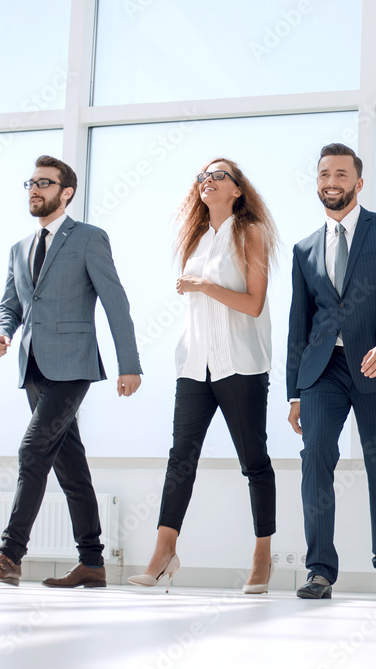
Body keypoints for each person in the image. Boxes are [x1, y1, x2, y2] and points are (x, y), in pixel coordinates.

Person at [0, 155, 142, 588]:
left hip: (74, 365)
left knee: (32, 451)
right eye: (30, 182)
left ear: (66, 193)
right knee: (71, 467)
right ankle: (93, 562)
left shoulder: (87, 238)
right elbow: (10, 305)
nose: (34, 189)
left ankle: (10, 554)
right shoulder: (19, 249)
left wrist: (130, 364)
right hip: (34, 366)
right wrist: (0, 333)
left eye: (44, 183)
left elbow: (115, 302)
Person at [128, 158, 280, 593]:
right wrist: (198, 285)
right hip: (194, 365)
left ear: (237, 189)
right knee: (181, 459)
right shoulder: (195, 239)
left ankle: (262, 556)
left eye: (217, 176)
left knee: (254, 461)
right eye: (201, 177)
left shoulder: (251, 233)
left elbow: (253, 304)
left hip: (241, 365)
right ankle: (163, 552)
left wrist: (202, 286)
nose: (207, 181)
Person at [286, 143, 376, 599]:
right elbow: (298, 323)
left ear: (358, 182)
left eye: (342, 174)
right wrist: (293, 392)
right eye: (325, 173)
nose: (332, 181)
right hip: (324, 371)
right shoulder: (304, 247)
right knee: (315, 459)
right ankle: (319, 569)